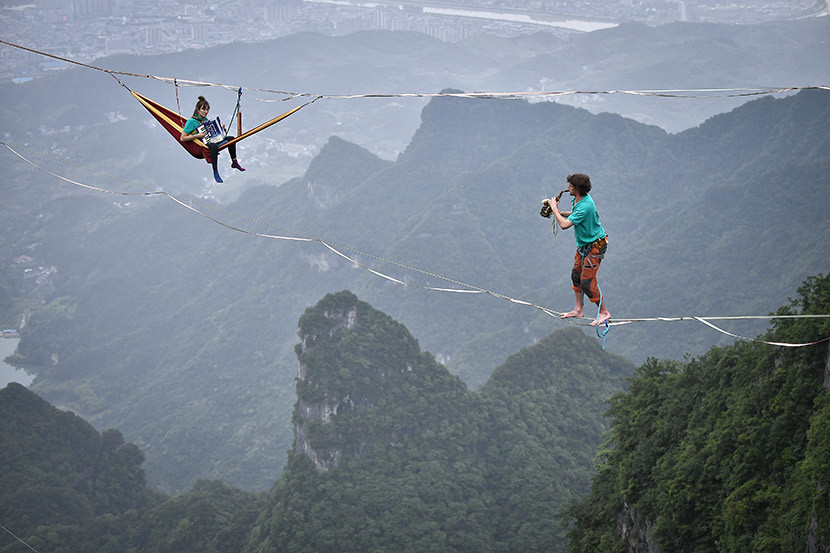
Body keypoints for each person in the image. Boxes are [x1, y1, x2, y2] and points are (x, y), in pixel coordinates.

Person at [547, 173, 610, 326]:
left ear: (578, 189)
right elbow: (575, 215)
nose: (568, 187)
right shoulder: (579, 199)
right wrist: (560, 212)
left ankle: (604, 312)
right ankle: (578, 309)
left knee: (587, 281)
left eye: (571, 185)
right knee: (576, 275)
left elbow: (564, 225)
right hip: (584, 246)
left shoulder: (586, 205)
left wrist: (555, 208)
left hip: (595, 247)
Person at [180, 96, 245, 183]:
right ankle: (215, 171)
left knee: (231, 139)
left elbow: (212, 134)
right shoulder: (191, 122)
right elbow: (183, 138)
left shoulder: (205, 120)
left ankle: (234, 162)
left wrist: (222, 129)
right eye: (204, 109)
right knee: (213, 146)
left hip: (210, 140)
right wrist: (197, 136)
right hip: (201, 145)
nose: (206, 112)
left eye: (207, 110)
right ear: (197, 109)